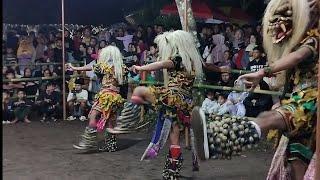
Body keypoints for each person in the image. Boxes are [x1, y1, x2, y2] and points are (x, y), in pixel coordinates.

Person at [191, 0, 319, 179]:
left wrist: (263, 72)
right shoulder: (301, 41)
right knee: (295, 158)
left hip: (311, 103)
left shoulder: (314, 40)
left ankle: (218, 142)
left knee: (269, 118)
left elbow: (297, 57)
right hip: (302, 103)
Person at [108, 30, 203, 179]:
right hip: (185, 103)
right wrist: (222, 69)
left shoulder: (177, 59)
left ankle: (130, 121)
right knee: (174, 137)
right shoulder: (193, 61)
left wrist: (141, 68)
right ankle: (172, 169)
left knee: (139, 90)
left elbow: (162, 64)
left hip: (172, 98)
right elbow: (209, 66)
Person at [66, 45, 127, 152]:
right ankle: (111, 145)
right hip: (116, 97)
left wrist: (75, 68)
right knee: (111, 121)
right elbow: (124, 83)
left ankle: (89, 141)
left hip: (106, 96)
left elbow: (91, 67)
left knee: (93, 115)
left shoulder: (105, 66)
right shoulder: (121, 68)